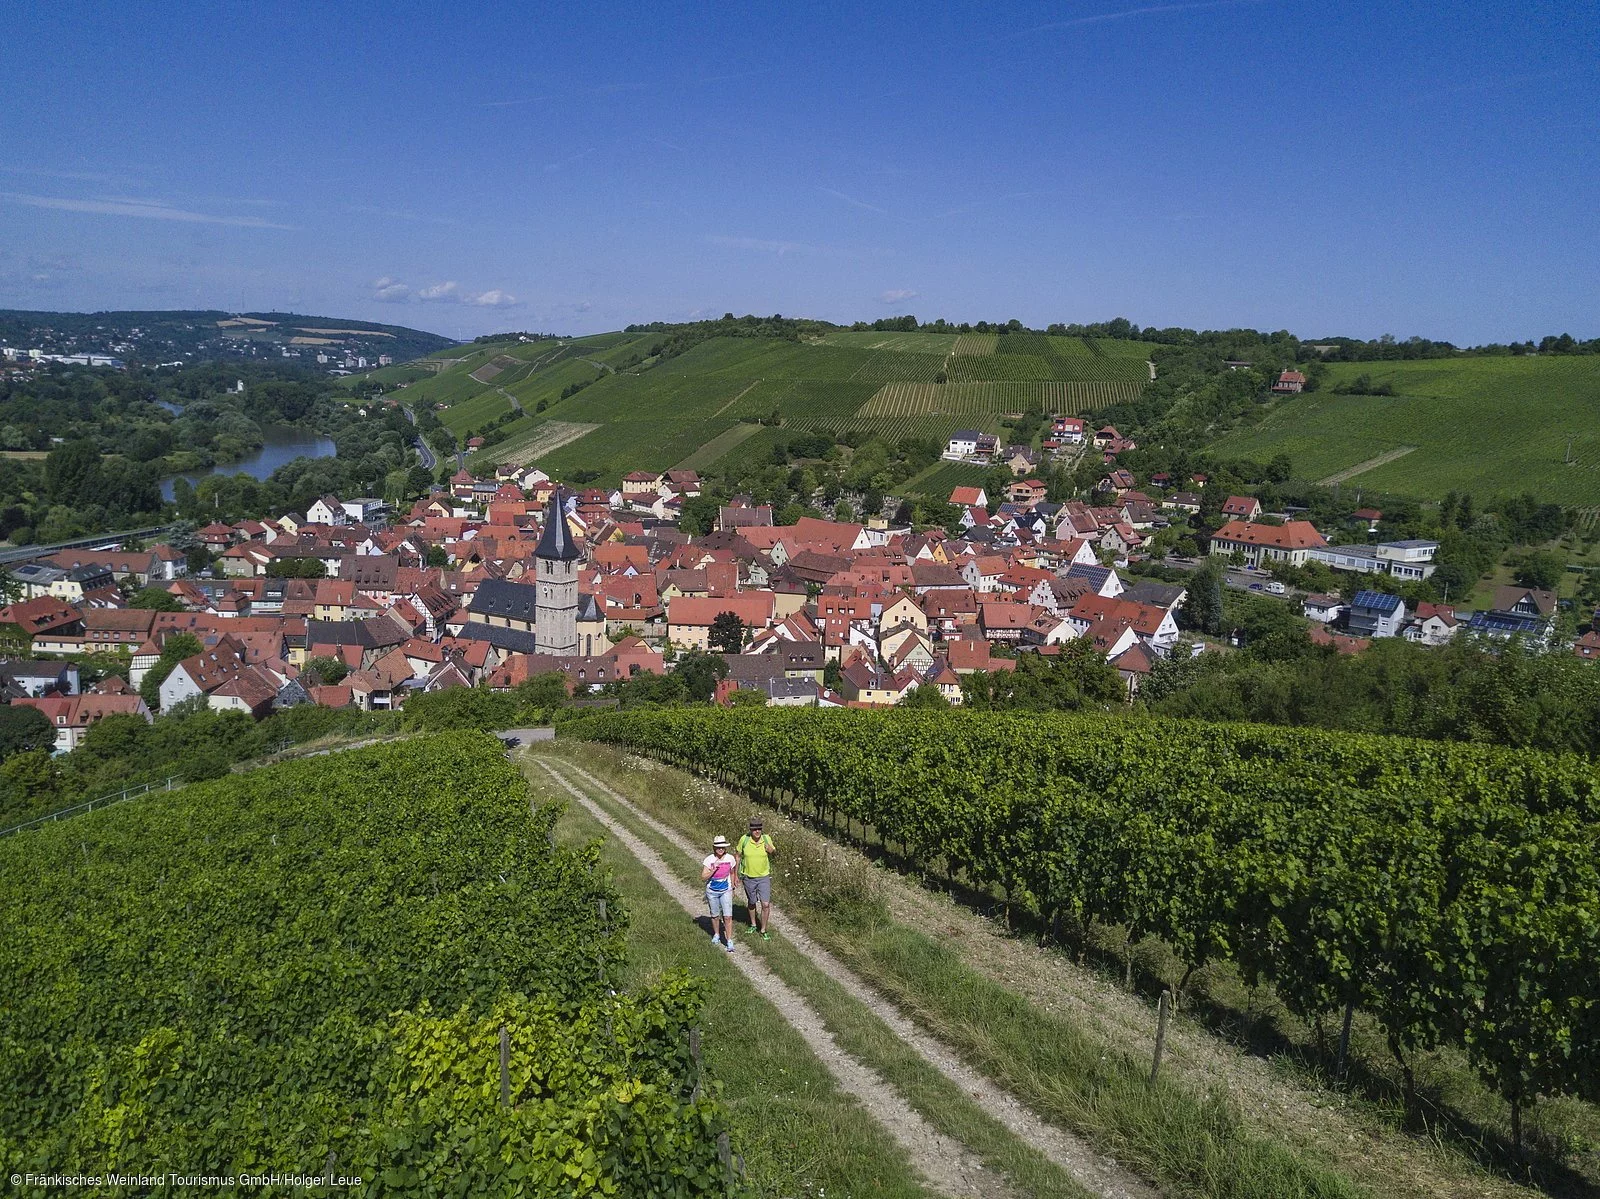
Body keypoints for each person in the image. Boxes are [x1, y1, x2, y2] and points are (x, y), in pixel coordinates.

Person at [737, 817, 777, 940]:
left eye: (759, 828)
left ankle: (763, 929)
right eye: (755, 829)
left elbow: (775, 854)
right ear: (750, 830)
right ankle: (753, 924)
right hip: (748, 877)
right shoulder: (744, 839)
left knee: (765, 904)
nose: (757, 831)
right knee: (752, 902)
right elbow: (738, 856)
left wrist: (772, 851)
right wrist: (735, 875)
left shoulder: (766, 839)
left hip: (763, 876)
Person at [701, 834, 740, 952]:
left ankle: (729, 940)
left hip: (726, 890)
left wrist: (733, 887)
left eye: (722, 847)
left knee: (728, 916)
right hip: (712, 891)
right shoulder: (709, 860)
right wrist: (713, 870)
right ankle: (717, 934)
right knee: (715, 914)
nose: (720, 849)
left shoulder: (730, 858)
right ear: (714, 848)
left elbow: (732, 872)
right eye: (718, 847)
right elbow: (703, 877)